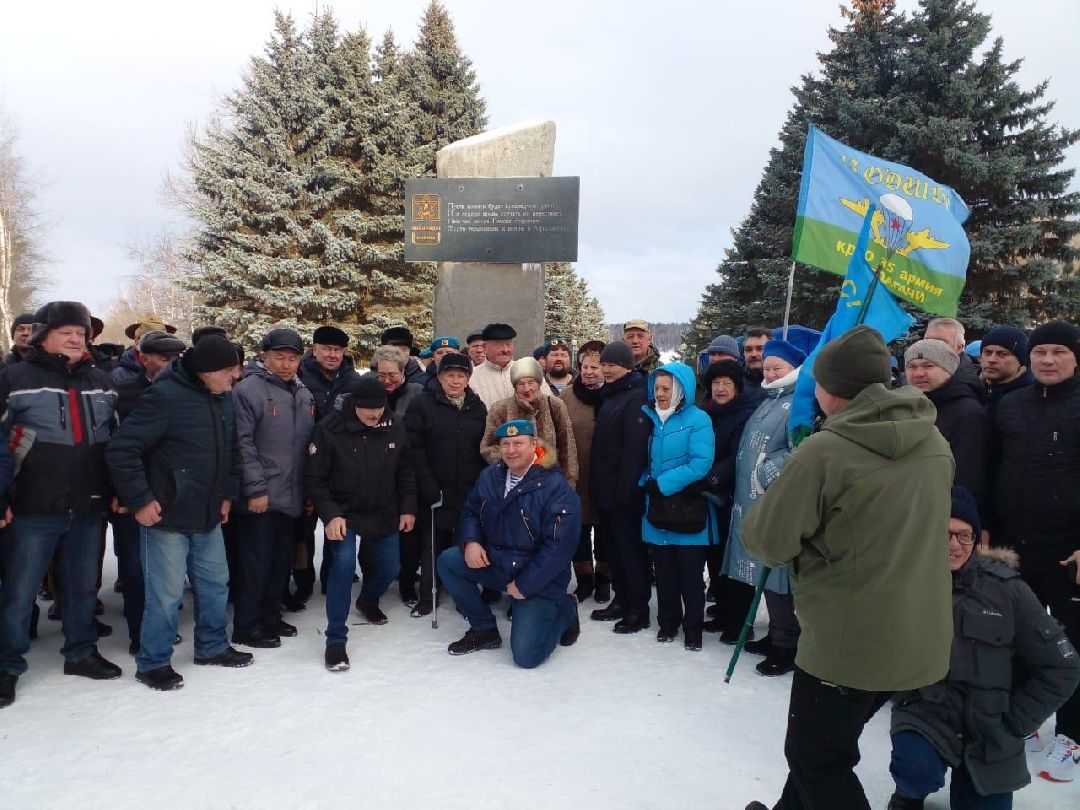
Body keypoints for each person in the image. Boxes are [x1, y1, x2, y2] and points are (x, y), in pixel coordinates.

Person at [741, 326, 955, 810]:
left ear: (831, 387)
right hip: (917, 630)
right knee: (825, 745)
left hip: (848, 641)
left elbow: (768, 540)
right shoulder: (932, 439)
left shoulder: (825, 451)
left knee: (816, 758)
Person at [888, 486, 1080, 810]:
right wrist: (905, 699)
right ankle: (909, 792)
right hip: (929, 713)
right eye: (944, 532)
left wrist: (1016, 721)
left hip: (991, 724)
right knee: (914, 769)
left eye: (964, 536)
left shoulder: (1009, 590)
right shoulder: (905, 581)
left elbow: (1062, 665)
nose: (953, 545)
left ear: (976, 540)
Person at [106, 334, 253, 692]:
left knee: (216, 584)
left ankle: (212, 645)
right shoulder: (164, 396)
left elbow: (231, 454)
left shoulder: (223, 398)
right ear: (206, 371)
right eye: (229, 372)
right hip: (166, 515)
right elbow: (122, 450)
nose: (235, 378)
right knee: (166, 594)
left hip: (207, 511)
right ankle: (153, 662)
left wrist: (226, 496)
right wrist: (140, 499)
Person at [0, 302, 124, 708]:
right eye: (66, 331)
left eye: (81, 332)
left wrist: (118, 489)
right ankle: (7, 665)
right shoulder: (15, 378)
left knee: (82, 587)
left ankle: (81, 652)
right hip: (33, 506)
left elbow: (116, 443)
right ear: (42, 335)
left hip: (88, 505)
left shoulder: (102, 381)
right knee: (19, 592)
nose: (76, 338)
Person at [990, 320, 1080, 781]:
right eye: (1040, 351)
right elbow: (992, 467)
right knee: (1016, 636)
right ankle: (1024, 719)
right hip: (1013, 547)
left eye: (1058, 352)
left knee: (1070, 642)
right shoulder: (1013, 403)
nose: (1048, 360)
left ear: (1075, 358)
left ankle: (1073, 735)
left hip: (1068, 554)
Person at [436, 419, 581, 668]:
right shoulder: (491, 476)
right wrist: (471, 541)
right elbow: (471, 511)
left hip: (538, 577)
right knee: (449, 562)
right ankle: (484, 628)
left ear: (534, 444)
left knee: (526, 657)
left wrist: (525, 585)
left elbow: (558, 549)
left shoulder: (555, 487)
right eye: (505, 444)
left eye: (518, 443)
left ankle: (566, 610)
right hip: (499, 563)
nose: (511, 450)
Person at [306, 376, 416, 669]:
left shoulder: (394, 425)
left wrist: (407, 508)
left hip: (384, 509)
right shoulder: (329, 429)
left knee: (390, 567)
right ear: (355, 404)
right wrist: (330, 515)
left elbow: (405, 472)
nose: (375, 414)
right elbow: (315, 479)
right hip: (344, 511)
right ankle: (335, 640)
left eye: (380, 408)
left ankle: (368, 600)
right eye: (369, 409)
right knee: (342, 566)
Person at [722, 337, 805, 677]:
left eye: (777, 368)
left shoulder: (799, 401)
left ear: (793, 369)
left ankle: (786, 643)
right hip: (751, 501)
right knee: (760, 571)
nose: (769, 372)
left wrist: (765, 470)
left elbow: (801, 446)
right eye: (767, 367)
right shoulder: (769, 398)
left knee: (776, 571)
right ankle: (775, 633)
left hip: (773, 500)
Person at [231, 328, 315, 649]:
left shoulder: (302, 392)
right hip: (260, 497)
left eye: (292, 358)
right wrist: (254, 489)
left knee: (281, 562)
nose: (286, 364)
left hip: (291, 495)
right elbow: (243, 445)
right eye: (279, 357)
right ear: (264, 356)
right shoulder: (249, 390)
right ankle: (246, 624)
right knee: (255, 564)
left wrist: (307, 491)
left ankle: (270, 615)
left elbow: (307, 447)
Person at [111, 330, 186, 655]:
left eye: (176, 359)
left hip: (174, 493)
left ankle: (163, 628)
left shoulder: (188, 392)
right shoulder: (124, 393)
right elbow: (115, 447)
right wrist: (124, 491)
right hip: (135, 494)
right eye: (164, 359)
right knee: (134, 567)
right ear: (143, 359)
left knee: (168, 571)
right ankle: (139, 634)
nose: (171, 365)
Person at [404, 351, 487, 618]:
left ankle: (465, 594)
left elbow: (482, 447)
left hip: (468, 486)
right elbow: (413, 447)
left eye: (460, 376)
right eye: (449, 375)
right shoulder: (422, 404)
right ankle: (429, 593)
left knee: (465, 540)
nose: (455, 381)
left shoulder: (477, 406)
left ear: (468, 379)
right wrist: (426, 482)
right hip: (435, 486)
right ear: (439, 377)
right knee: (433, 542)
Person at [640, 362, 715, 651]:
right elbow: (645, 460)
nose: (659, 394)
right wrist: (644, 481)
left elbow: (700, 463)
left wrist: (662, 484)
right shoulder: (650, 417)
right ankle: (668, 622)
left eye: (665, 389)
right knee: (666, 573)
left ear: (681, 391)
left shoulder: (699, 420)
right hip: (658, 511)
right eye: (656, 388)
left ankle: (693, 628)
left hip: (686, 509)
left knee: (691, 576)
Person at [294, 325, 360, 606]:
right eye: (327, 349)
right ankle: (303, 580)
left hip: (342, 463)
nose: (333, 355)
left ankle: (331, 576)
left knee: (338, 522)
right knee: (303, 527)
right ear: (315, 349)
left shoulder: (353, 380)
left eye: (338, 350)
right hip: (302, 458)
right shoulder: (300, 376)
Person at [589, 342, 652, 633]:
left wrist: (626, 493)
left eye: (612, 365)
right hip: (606, 490)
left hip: (624, 494)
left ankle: (638, 609)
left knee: (630, 552)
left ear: (628, 366)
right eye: (604, 364)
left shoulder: (636, 395)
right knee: (613, 551)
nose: (606, 369)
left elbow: (633, 451)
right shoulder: (611, 395)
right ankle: (621, 599)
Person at [699, 360, 762, 641]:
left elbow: (737, 454)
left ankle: (740, 622)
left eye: (727, 383)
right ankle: (724, 611)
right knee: (716, 556)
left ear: (737, 387)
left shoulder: (746, 413)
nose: (721, 389)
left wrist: (712, 478)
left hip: (733, 496)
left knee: (736, 559)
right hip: (710, 498)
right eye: (716, 383)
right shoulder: (708, 413)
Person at [905, 338, 990, 504]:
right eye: (912, 366)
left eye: (928, 366)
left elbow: (969, 475)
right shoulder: (908, 406)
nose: (918, 373)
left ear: (949, 369)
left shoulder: (968, 413)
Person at [560, 340, 609, 603]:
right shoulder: (567, 396)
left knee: (604, 532)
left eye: (596, 366)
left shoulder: (613, 394)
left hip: (604, 476)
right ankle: (584, 578)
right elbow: (553, 435)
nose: (589, 371)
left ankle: (603, 578)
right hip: (575, 476)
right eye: (585, 366)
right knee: (578, 531)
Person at [480, 357, 578, 486]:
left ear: (539, 383)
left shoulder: (555, 405)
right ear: (515, 386)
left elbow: (567, 447)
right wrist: (515, 458)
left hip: (549, 482)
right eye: (521, 383)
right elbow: (487, 448)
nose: (526, 389)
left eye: (531, 382)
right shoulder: (500, 409)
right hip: (512, 483)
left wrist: (569, 482)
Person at [469, 322, 552, 408]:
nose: (505, 350)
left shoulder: (529, 371)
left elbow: (549, 404)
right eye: (499, 345)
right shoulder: (472, 377)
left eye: (508, 344)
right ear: (485, 347)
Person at [979, 326, 1032, 420]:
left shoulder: (1030, 401)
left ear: (1020, 361)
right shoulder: (970, 389)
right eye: (988, 352)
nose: (992, 360)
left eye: (1002, 354)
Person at [112, 313, 179, 383]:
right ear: (137, 343)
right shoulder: (120, 376)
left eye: (161, 339)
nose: (156, 345)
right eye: (150, 340)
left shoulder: (177, 370)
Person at [373, 345, 423, 421]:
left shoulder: (418, 392)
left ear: (402, 371)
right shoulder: (371, 392)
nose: (387, 381)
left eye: (392, 375)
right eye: (382, 375)